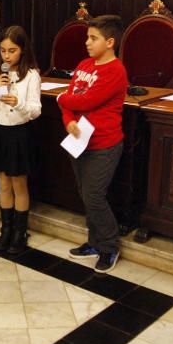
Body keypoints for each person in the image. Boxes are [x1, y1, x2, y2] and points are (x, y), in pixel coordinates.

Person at [60, 15, 129, 273]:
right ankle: (93, 242)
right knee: (85, 194)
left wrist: (62, 101)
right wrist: (68, 121)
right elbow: (70, 99)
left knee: (94, 195)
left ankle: (109, 246)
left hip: (104, 143)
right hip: (78, 140)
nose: (87, 42)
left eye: (93, 38)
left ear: (110, 42)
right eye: (87, 37)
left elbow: (83, 101)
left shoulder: (115, 70)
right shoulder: (84, 65)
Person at [0, 26, 42, 254]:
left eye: (12, 50)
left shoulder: (31, 75)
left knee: (19, 184)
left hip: (19, 134)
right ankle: (5, 230)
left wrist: (17, 102)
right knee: (3, 183)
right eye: (3, 51)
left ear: (23, 50)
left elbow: (36, 110)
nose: (7, 55)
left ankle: (20, 232)